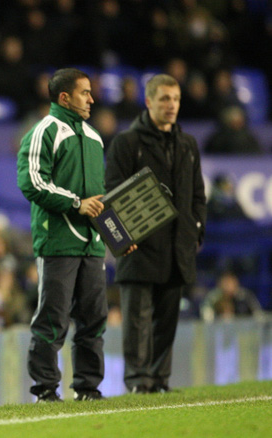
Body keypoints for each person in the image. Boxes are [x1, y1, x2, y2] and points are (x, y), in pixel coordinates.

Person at [105, 74, 206, 394]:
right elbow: (110, 194)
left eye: (175, 99)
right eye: (164, 99)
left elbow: (198, 196)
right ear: (148, 102)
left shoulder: (188, 144)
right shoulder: (126, 142)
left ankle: (160, 379)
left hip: (177, 246)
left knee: (167, 319)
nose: (171, 105)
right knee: (136, 321)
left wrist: (196, 234)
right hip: (139, 247)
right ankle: (138, 380)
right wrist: (121, 239)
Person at [17, 68, 111, 402]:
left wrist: (120, 234)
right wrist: (76, 204)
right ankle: (44, 389)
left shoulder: (95, 137)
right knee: (53, 319)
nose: (92, 99)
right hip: (57, 241)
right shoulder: (44, 131)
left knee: (94, 319)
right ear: (64, 98)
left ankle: (88, 387)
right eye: (85, 92)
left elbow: (100, 197)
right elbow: (32, 182)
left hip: (93, 244)